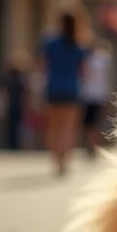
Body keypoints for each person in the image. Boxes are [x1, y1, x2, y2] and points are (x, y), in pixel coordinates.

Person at [40, 12, 88, 175]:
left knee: (53, 127)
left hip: (54, 88)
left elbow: (43, 66)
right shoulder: (78, 45)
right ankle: (65, 161)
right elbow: (83, 71)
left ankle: (56, 160)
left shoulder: (50, 43)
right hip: (71, 89)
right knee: (68, 128)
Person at [81, 37, 113, 157]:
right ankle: (93, 144)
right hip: (95, 94)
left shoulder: (97, 59)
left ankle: (92, 144)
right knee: (94, 122)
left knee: (92, 122)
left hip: (92, 94)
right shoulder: (103, 58)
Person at [0, 52, 31, 150]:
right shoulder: (9, 78)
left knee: (15, 126)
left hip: (15, 105)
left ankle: (15, 144)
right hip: (13, 105)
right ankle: (13, 145)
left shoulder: (17, 79)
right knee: (14, 126)